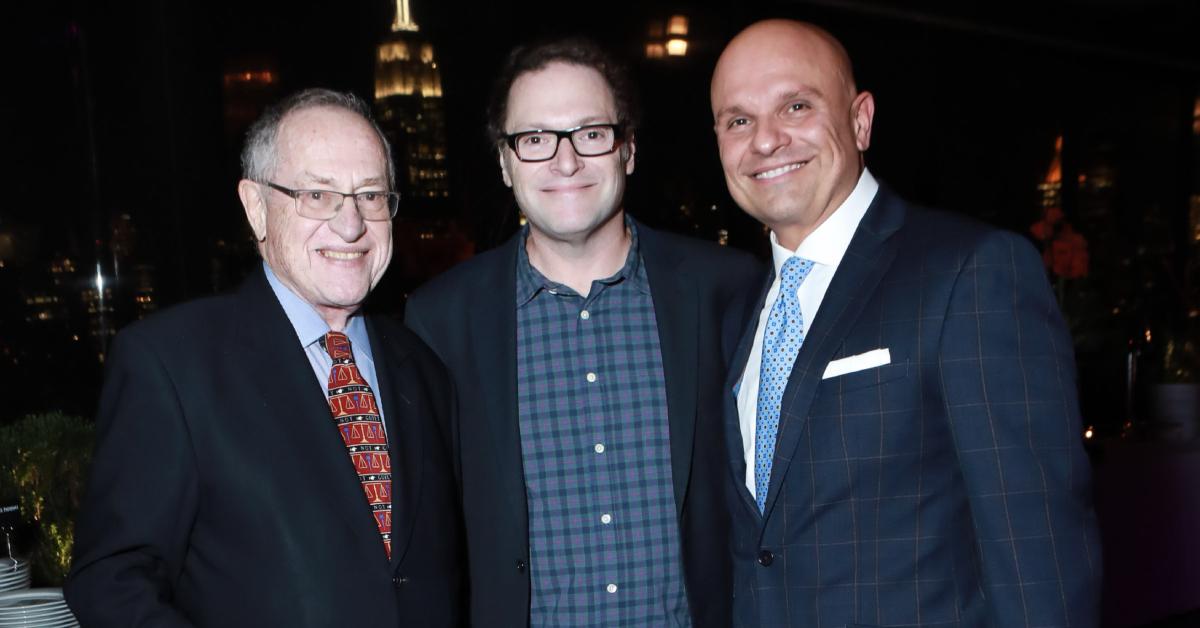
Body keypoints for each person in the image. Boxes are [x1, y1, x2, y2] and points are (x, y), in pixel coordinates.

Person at [710, 19, 1101, 627]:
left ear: (860, 119)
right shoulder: (738, 308)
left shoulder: (970, 269)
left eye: (795, 105)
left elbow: (1038, 547)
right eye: (738, 120)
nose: (765, 141)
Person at [66, 89, 464, 627]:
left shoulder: (425, 367)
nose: (351, 225)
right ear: (256, 207)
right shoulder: (170, 365)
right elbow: (111, 582)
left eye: (370, 195)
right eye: (318, 196)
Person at [405, 38, 761, 627]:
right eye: (536, 139)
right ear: (504, 161)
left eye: (591, 133)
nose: (564, 162)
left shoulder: (726, 290)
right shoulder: (442, 320)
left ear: (628, 150)